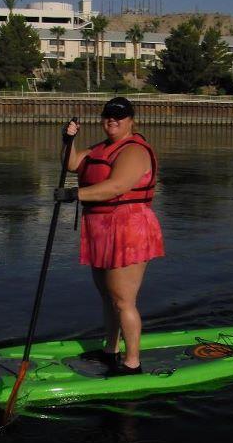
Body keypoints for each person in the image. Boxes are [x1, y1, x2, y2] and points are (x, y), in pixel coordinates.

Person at [54, 97, 165, 375]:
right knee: (107, 297)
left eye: (119, 116)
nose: (112, 121)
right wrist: (68, 141)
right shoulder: (100, 148)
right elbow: (72, 164)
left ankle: (132, 363)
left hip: (128, 228)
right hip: (101, 228)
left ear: (131, 120)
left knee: (123, 300)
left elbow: (116, 186)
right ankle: (110, 351)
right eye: (107, 116)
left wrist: (73, 194)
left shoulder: (134, 151)